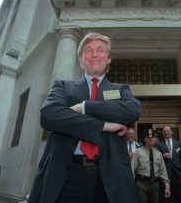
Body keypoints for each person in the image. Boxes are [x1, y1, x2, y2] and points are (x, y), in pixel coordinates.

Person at [28, 32, 141, 203]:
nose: (94, 54)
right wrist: (104, 125)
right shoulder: (63, 86)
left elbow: (132, 111)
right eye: (88, 50)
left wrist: (84, 107)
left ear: (109, 58)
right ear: (81, 59)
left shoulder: (121, 89)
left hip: (109, 177)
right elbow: (49, 115)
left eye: (100, 50)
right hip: (64, 175)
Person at [131, 129, 171, 203]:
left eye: (153, 137)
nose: (151, 139)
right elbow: (131, 170)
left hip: (155, 185)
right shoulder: (138, 152)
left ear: (156, 139)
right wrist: (130, 186)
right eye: (149, 137)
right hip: (142, 185)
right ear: (144, 139)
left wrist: (167, 186)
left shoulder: (159, 153)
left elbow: (163, 171)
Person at [156, 126, 181, 203]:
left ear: (171, 132)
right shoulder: (159, 144)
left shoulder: (179, 143)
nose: (166, 132)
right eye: (164, 131)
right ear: (163, 133)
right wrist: (162, 156)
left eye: (168, 131)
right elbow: (156, 159)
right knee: (167, 198)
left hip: (179, 174)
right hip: (166, 175)